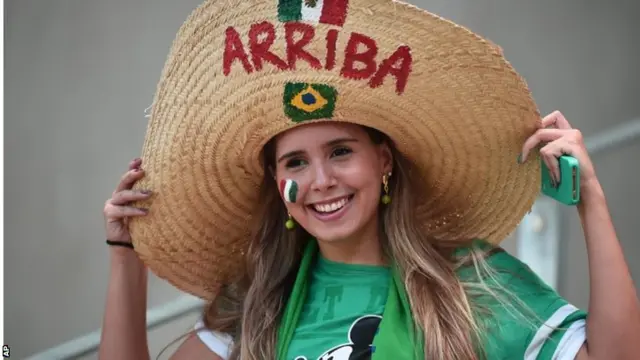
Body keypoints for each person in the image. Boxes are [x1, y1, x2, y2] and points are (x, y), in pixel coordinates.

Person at [99, 0, 640, 359]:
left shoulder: (471, 283)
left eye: (340, 151)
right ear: (276, 184)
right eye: (295, 163)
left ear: (384, 160)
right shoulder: (258, 304)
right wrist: (126, 258)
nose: (321, 181)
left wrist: (590, 199)